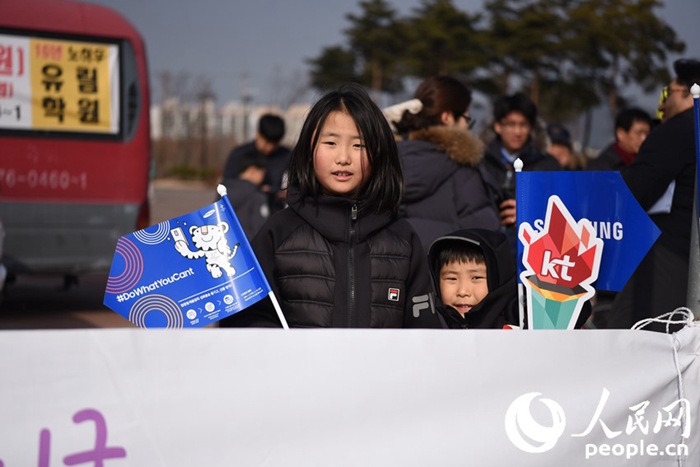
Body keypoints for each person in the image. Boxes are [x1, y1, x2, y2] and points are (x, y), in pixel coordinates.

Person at [219, 83, 444, 329]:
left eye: (359, 145)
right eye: (330, 143)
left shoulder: (402, 238)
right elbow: (246, 317)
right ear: (308, 149)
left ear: (380, 154)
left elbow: (424, 332)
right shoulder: (279, 232)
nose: (344, 158)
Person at [608, 58, 700, 331]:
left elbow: (635, 191)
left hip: (672, 260)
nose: (661, 105)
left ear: (686, 91)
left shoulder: (679, 129)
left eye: (667, 93)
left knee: (633, 340)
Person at [389, 75, 501, 251]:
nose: (467, 128)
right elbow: (486, 236)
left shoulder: (385, 164)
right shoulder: (462, 168)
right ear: (447, 117)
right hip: (451, 275)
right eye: (467, 119)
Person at [480, 93, 560, 259]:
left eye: (523, 125)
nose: (517, 131)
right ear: (497, 126)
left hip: (534, 252)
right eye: (511, 124)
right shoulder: (480, 163)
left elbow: (562, 209)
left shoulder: (548, 165)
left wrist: (530, 213)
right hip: (486, 249)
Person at [427, 228, 519, 329]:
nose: (462, 292)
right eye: (452, 279)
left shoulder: (519, 324)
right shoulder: (428, 327)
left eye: (476, 278)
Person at [222, 113, 291, 214]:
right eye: (267, 142)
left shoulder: (287, 156)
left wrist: (275, 192)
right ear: (258, 133)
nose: (269, 147)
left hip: (275, 215)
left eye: (274, 143)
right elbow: (227, 186)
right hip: (244, 215)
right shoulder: (239, 154)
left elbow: (296, 188)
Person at [218, 151, 269, 238]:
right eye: (262, 172)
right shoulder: (257, 195)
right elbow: (260, 228)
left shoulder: (223, 190)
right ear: (252, 170)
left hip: (224, 242)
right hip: (246, 246)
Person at [587, 108, 652, 171]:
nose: (644, 138)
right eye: (639, 133)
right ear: (621, 134)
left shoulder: (648, 162)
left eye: (647, 134)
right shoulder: (600, 168)